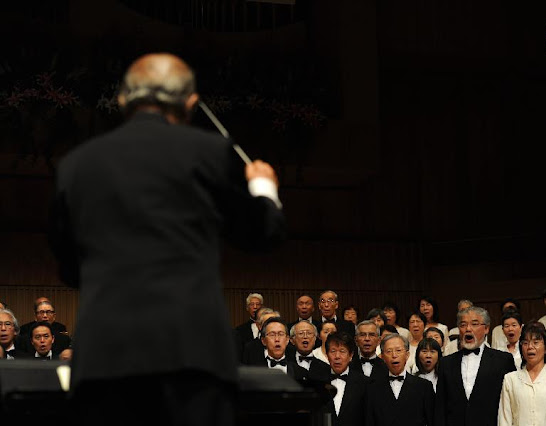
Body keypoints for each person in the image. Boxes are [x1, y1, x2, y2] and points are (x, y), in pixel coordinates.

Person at [48, 53, 286, 426]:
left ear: (122, 100)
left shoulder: (75, 164)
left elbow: (70, 269)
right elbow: (263, 234)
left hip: (104, 359)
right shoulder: (211, 152)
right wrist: (264, 189)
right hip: (193, 357)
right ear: (191, 103)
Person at [434, 306, 516, 426]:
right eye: (463, 325)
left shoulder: (503, 361)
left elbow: (511, 403)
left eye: (474, 324)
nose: (468, 329)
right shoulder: (446, 363)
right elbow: (440, 407)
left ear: (486, 328)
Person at [498, 322, 546, 426]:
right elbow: (504, 419)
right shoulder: (510, 379)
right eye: (525, 343)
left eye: (536, 342)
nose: (530, 347)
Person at [366, 333, 435, 426]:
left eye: (398, 350)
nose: (394, 355)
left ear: (407, 355)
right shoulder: (373, 389)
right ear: (382, 357)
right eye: (389, 351)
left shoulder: (424, 387)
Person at [315, 332, 368, 426]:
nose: (337, 356)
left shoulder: (364, 383)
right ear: (327, 355)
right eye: (333, 351)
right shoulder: (317, 382)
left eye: (342, 351)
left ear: (351, 355)